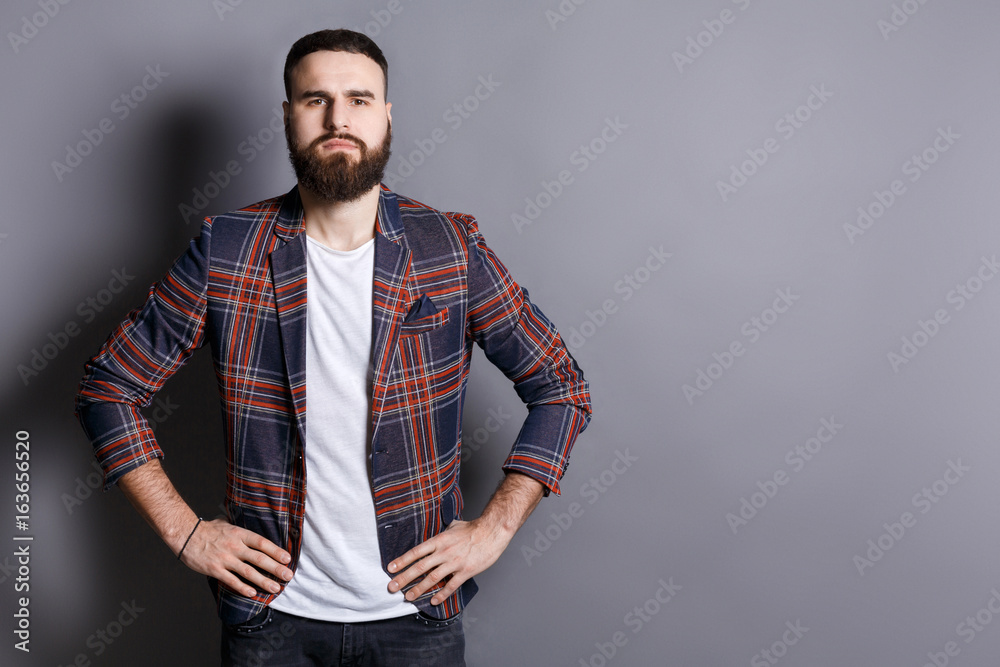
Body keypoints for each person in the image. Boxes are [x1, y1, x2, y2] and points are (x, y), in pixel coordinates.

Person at [75, 28, 591, 666]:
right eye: (315, 99)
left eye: (359, 99)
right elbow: (108, 389)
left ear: (387, 115)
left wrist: (495, 528)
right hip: (271, 621)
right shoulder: (228, 249)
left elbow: (561, 388)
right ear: (288, 115)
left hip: (418, 617)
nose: (338, 119)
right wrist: (186, 534)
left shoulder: (449, 248)